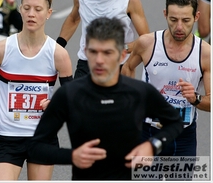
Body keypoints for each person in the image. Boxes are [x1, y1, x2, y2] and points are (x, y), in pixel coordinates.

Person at [29, 17, 183, 180]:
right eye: (94, 52)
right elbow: (36, 147)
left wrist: (152, 146)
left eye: (107, 52)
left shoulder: (139, 92)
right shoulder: (69, 94)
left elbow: (175, 122)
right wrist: (72, 156)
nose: (99, 60)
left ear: (122, 54)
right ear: (86, 51)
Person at [0, 0, 73, 180]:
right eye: (26, 8)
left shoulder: (58, 54)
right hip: (9, 138)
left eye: (38, 9)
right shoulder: (2, 49)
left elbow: (71, 97)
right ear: (20, 9)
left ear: (48, 13)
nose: (31, 14)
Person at [122, 0, 211, 158]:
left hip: (183, 137)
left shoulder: (205, 53)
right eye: (173, 19)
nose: (179, 27)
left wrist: (195, 98)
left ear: (196, 17)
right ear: (165, 14)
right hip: (148, 132)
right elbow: (128, 68)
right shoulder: (147, 43)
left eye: (186, 20)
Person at [56, 0, 149, 78]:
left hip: (118, 66)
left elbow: (146, 39)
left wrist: (124, 48)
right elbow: (73, 19)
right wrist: (58, 47)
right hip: (86, 64)